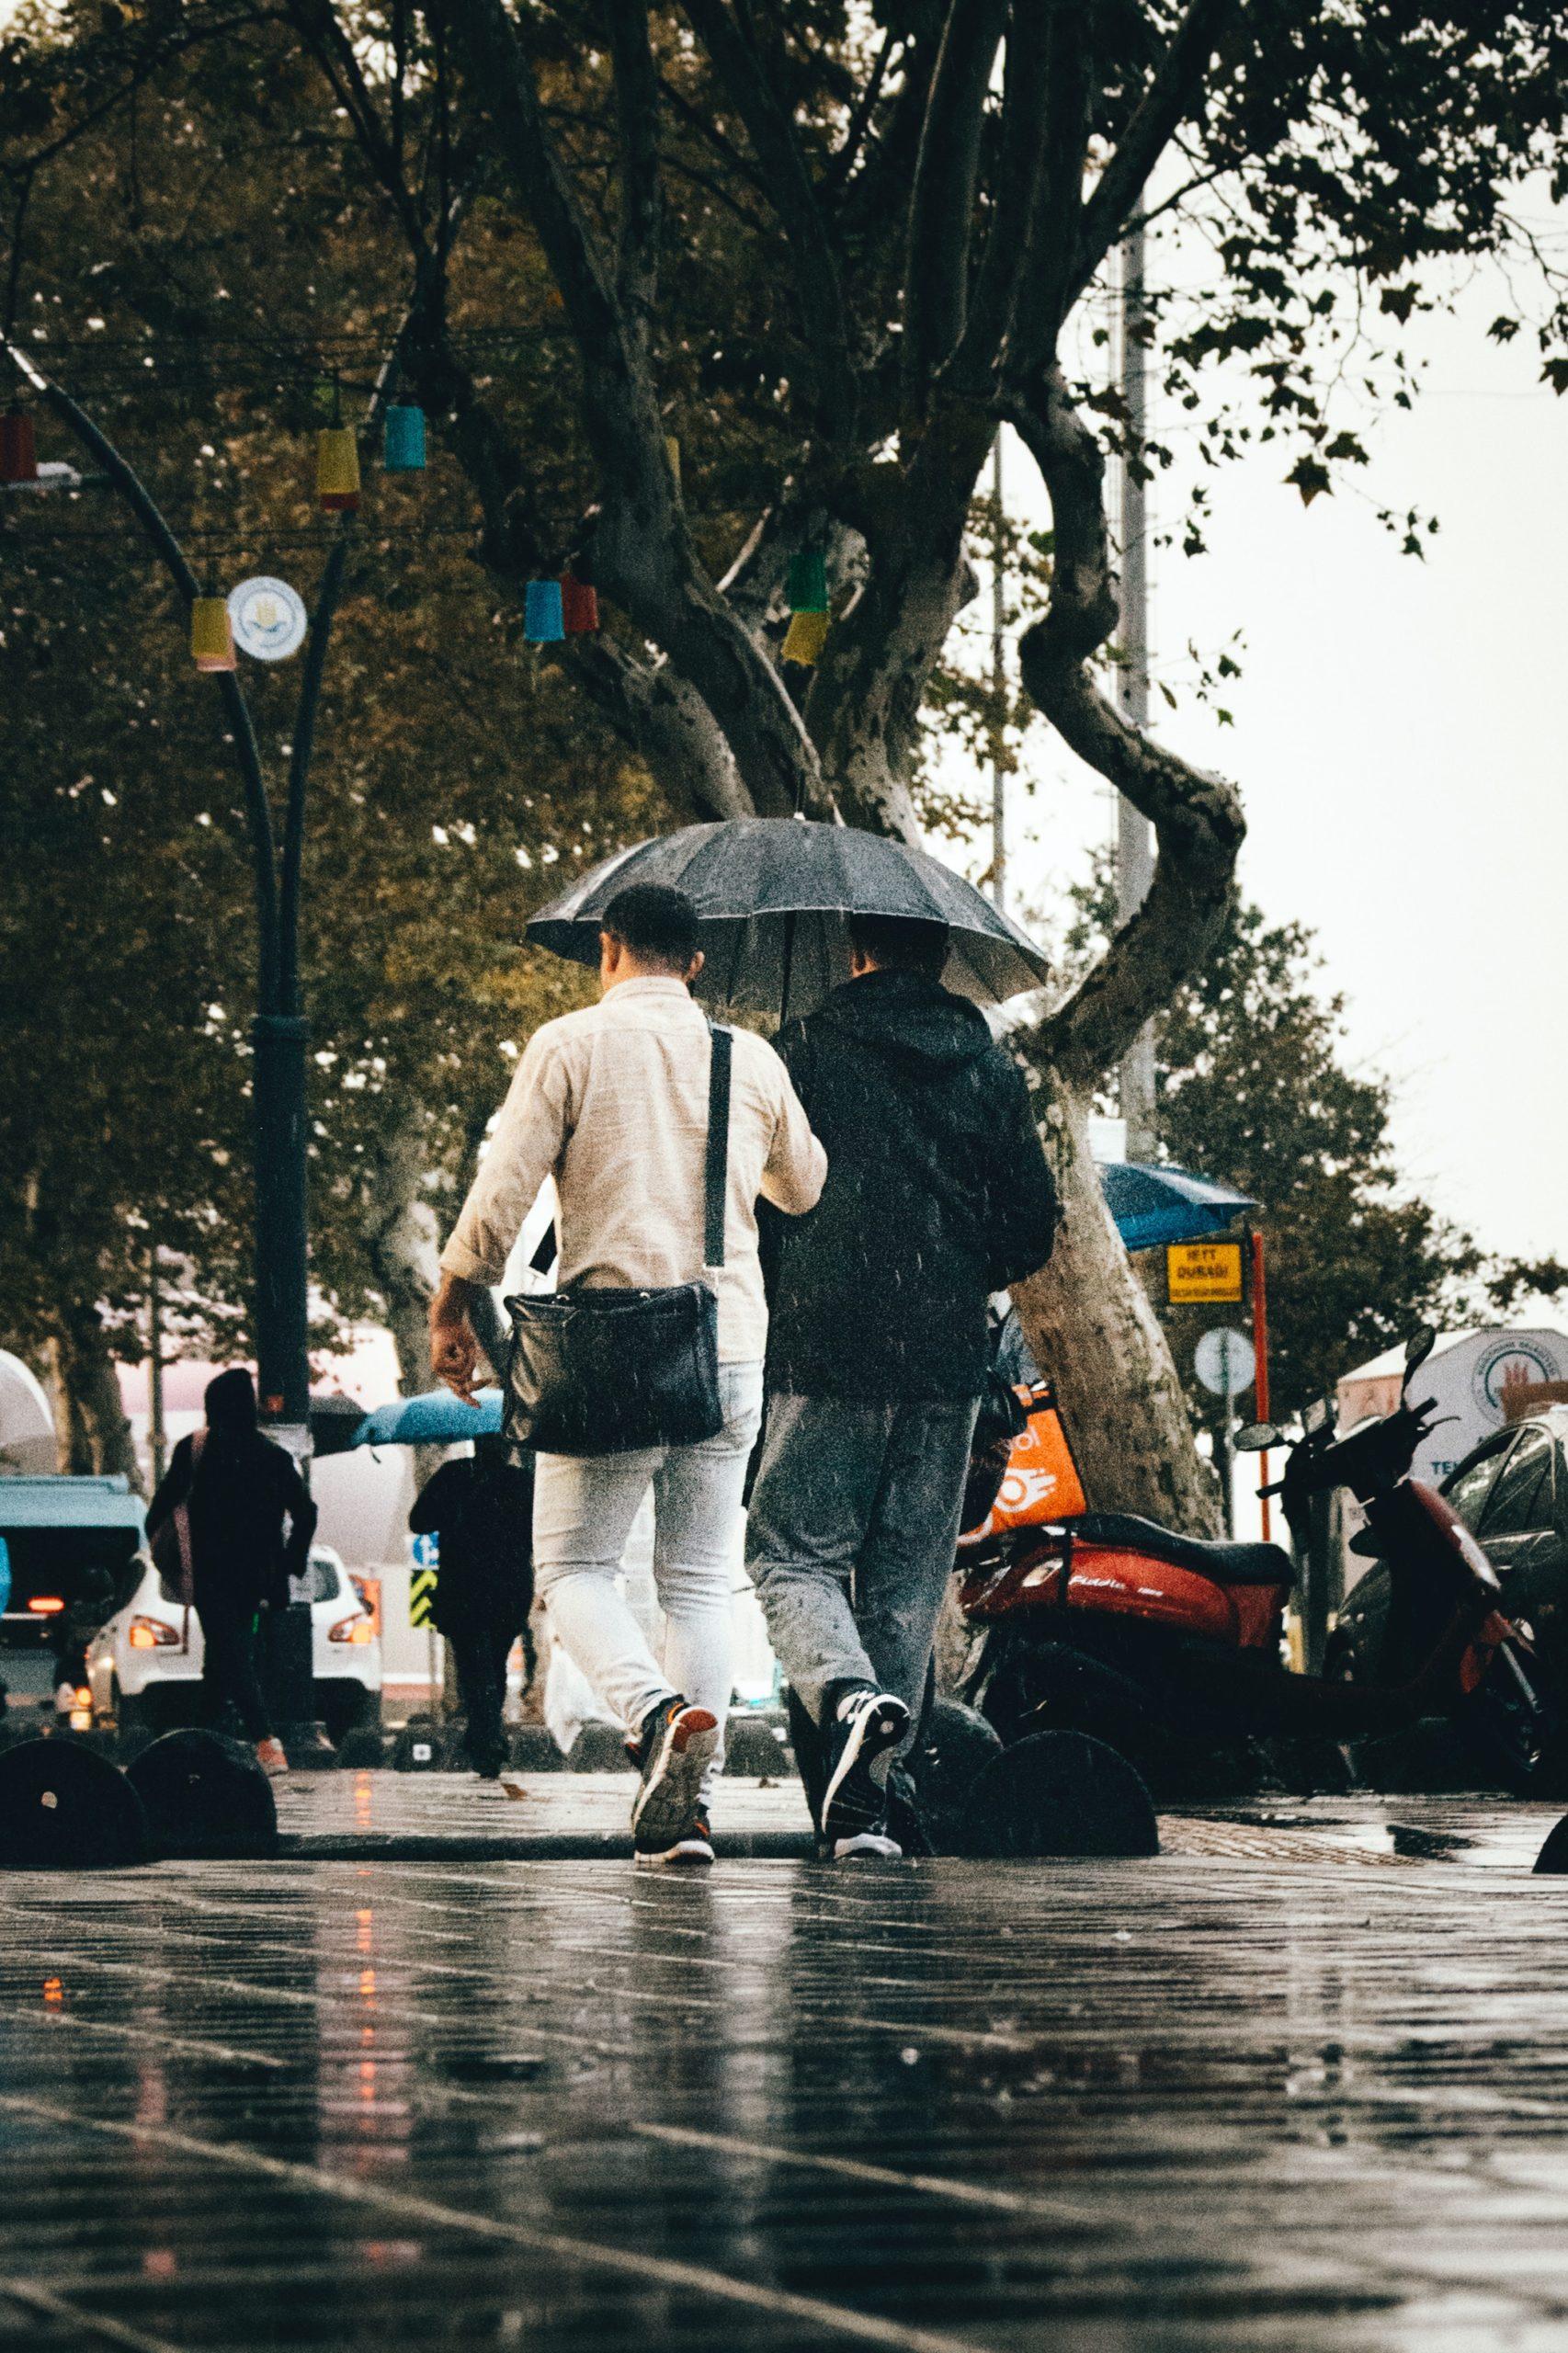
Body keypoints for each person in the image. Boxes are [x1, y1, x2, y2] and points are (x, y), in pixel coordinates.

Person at [430, 881, 825, 1867]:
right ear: (695, 963)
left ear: (608, 950)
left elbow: (504, 1189)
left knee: (570, 1569)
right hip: (726, 1345)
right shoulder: (750, 1057)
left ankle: (654, 1723)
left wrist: (451, 1303)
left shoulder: (568, 1045)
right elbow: (802, 1186)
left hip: (609, 1345)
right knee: (695, 1583)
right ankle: (689, 1814)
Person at [746, 912, 1061, 1860]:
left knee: (790, 1552)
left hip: (824, 1345)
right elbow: (1030, 1230)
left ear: (854, 954)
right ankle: (867, 1812)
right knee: (904, 1582)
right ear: (939, 960)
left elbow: (761, 1206)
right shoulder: (986, 1064)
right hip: (943, 1356)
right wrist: (957, 1264)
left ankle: (845, 1700)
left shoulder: (797, 1051)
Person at [145, 1367, 317, 1776]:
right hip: (260, 1575)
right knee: (226, 1652)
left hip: (211, 1573)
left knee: (229, 1651)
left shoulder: (195, 1450)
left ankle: (263, 1740)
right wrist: (291, 1561)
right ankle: (202, 1743)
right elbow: (306, 1512)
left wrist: (173, 1553)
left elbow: (159, 1509)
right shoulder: (274, 1456)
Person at [408, 1437, 536, 1779]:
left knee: (473, 1666)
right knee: (493, 1663)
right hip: (509, 1589)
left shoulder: (453, 1475)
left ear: (475, 1444)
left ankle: (487, 1737)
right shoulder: (523, 1483)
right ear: (509, 1448)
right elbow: (539, 1531)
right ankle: (486, 1738)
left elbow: (418, 1521)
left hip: (463, 1585)